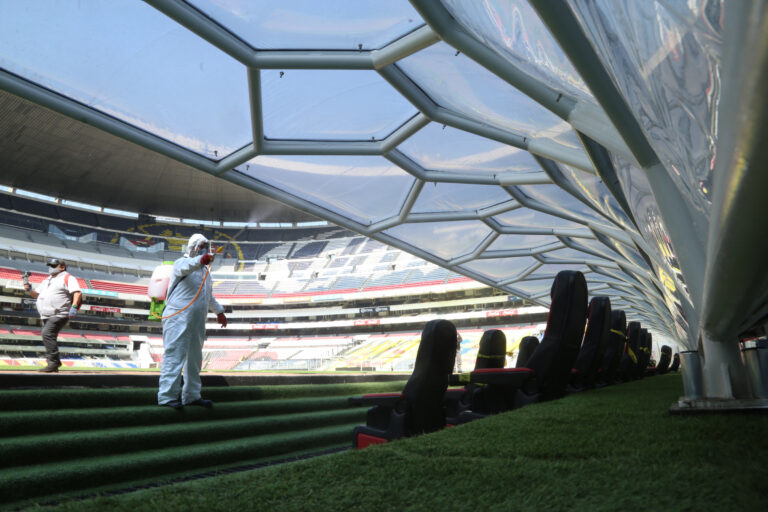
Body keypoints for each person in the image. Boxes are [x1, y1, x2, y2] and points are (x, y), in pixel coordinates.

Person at [158, 233, 227, 409]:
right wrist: (201, 260)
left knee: (194, 358)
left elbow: (208, 296)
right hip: (177, 317)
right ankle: (167, 397)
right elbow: (187, 266)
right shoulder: (181, 263)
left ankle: (192, 395)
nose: (203, 248)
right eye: (200, 245)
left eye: (205, 246)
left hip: (197, 320)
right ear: (192, 247)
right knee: (174, 355)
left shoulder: (205, 272)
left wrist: (219, 312)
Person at [23, 258, 82, 373]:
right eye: (50, 265)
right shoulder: (47, 280)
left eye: (54, 265)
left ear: (62, 267)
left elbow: (77, 292)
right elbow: (36, 295)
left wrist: (74, 307)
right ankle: (54, 363)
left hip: (60, 313)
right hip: (46, 315)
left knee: (47, 333)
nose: (51, 268)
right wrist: (29, 288)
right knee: (49, 336)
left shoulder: (68, 277)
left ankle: (53, 363)